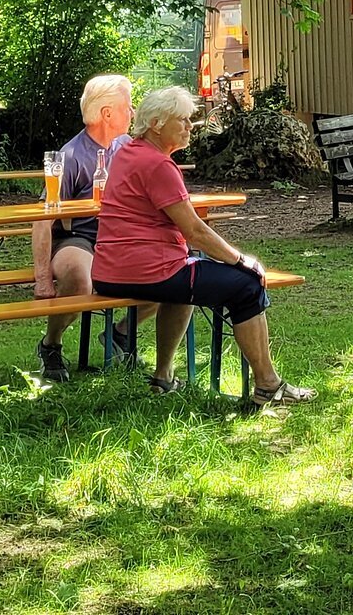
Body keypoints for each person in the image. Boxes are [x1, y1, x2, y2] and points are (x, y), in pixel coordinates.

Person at [93, 86, 317, 405]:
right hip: (147, 271)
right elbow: (195, 232)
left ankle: (163, 377)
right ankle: (268, 385)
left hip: (110, 271)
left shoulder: (129, 152)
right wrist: (241, 260)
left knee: (188, 278)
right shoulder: (157, 164)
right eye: (182, 119)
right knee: (247, 285)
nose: (190, 126)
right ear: (156, 124)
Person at [31, 74, 147, 383]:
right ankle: (51, 344)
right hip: (78, 238)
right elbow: (43, 219)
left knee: (171, 268)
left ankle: (121, 333)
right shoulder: (71, 155)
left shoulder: (128, 146)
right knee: (79, 276)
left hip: (120, 238)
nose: (133, 113)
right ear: (107, 113)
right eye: (128, 106)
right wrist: (42, 278)